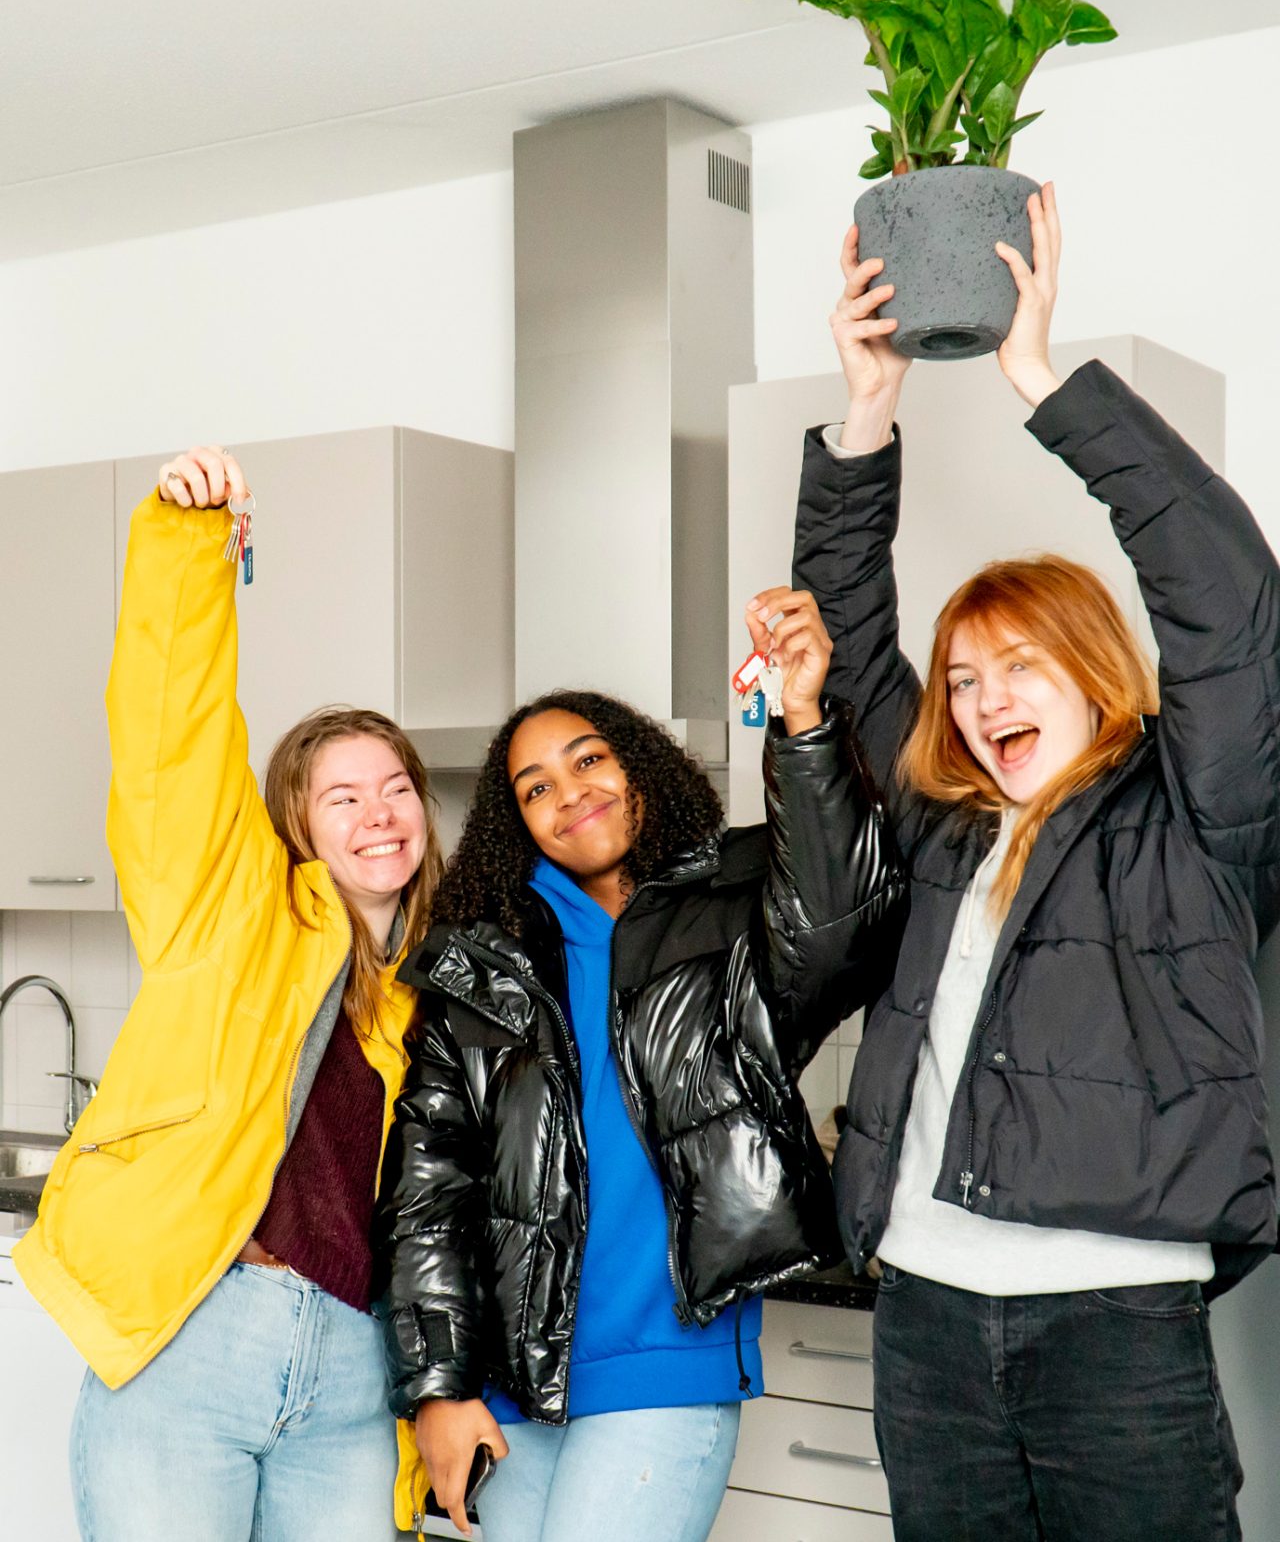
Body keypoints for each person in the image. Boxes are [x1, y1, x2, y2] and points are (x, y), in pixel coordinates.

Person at [779, 182, 1280, 1540]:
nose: (983, 697)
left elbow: (1230, 605)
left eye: (1017, 666)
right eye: (962, 677)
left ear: (1094, 670)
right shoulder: (945, 821)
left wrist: (1042, 379)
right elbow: (846, 635)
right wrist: (866, 408)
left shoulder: (1197, 813)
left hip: (1114, 1325)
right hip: (926, 1318)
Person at [374, 588, 906, 1542]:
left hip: (666, 1366)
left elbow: (843, 929)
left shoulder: (733, 910)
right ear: (517, 824)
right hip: (511, 1388)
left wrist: (802, 718)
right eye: (536, 787)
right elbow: (428, 1195)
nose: (570, 791)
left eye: (589, 759)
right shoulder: (481, 971)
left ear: (638, 767)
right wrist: (439, 1389)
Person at [15, 445, 444, 1542]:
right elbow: (173, 738)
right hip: (198, 1343)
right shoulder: (229, 910)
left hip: (352, 1380)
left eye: (396, 788)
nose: (378, 814)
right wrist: (185, 544)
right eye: (341, 797)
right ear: (294, 823)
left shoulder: (438, 988)